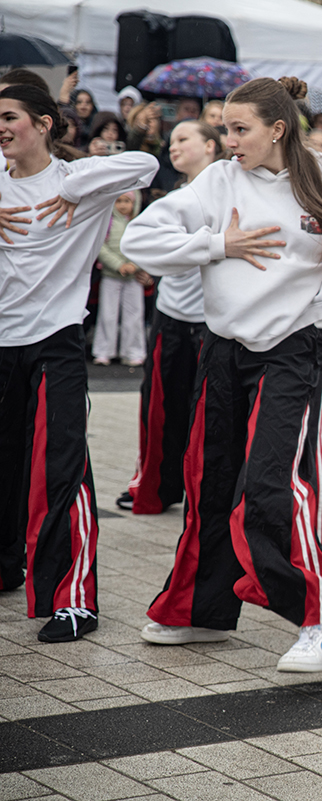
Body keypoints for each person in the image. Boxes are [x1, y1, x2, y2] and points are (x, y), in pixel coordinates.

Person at [120, 77, 322, 671]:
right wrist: (218, 244)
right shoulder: (219, 180)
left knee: (268, 484)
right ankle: (202, 609)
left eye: (240, 128)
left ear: (277, 129)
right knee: (210, 480)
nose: (229, 139)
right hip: (222, 349)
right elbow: (143, 238)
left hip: (294, 350)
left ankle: (314, 621)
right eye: (225, 128)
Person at [0, 84, 159, 642]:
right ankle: (7, 566)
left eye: (9, 116)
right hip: (1, 344)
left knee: (59, 467)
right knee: (6, 465)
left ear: (43, 123)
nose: (1, 127)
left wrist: (78, 180)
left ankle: (74, 599)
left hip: (56, 342)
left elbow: (145, 162)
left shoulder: (75, 182)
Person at [118, 120, 224, 515]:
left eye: (184, 139)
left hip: (214, 322)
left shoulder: (229, 191)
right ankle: (154, 484)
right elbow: (142, 243)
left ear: (211, 146)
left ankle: (203, 490)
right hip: (173, 315)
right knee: (159, 407)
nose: (173, 146)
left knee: (207, 412)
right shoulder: (175, 196)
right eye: (171, 140)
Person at [92, 191, 147, 365]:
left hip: (133, 278)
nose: (123, 205)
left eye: (127, 201)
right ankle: (103, 351)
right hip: (110, 276)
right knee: (107, 314)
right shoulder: (106, 222)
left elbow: (145, 247)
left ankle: (133, 352)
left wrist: (133, 265)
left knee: (134, 315)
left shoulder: (140, 224)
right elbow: (100, 247)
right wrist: (118, 265)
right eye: (118, 201)